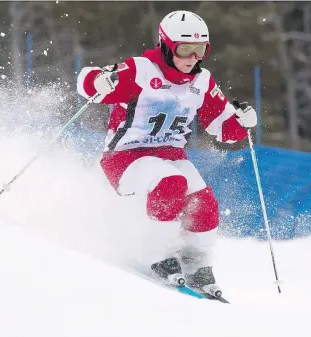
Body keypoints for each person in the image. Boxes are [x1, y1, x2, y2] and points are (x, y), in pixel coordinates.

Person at [77, 10, 257, 298]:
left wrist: (242, 123)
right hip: (124, 159)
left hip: (171, 156)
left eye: (201, 51)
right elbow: (89, 82)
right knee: (172, 183)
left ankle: (195, 261)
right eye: (185, 49)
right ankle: (156, 253)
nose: (192, 58)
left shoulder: (202, 82)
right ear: (166, 45)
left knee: (204, 203)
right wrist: (98, 82)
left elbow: (223, 128)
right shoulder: (141, 70)